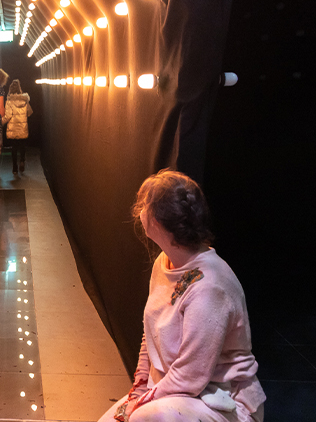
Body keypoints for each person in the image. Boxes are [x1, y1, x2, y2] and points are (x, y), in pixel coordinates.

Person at [100, 170, 265, 422]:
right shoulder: (163, 263)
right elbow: (150, 333)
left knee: (144, 418)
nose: (140, 211)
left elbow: (190, 377)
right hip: (173, 391)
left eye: (145, 205)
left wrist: (140, 405)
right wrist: (139, 389)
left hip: (222, 401)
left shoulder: (209, 286)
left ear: (158, 221)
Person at [2, 79, 33, 174]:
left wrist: (1, 122)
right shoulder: (25, 100)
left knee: (14, 148)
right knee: (22, 146)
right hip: (22, 127)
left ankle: (15, 168)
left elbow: (7, 116)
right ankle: (22, 161)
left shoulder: (9, 101)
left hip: (13, 128)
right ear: (20, 89)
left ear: (10, 90)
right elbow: (29, 112)